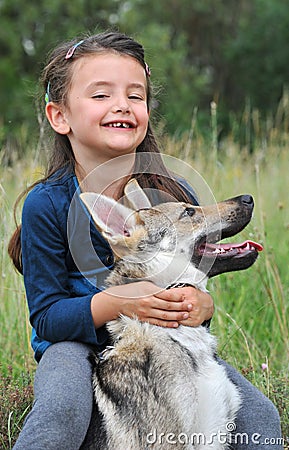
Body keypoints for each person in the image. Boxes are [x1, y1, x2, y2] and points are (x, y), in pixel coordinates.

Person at [8, 31, 281, 449]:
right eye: (101, 95)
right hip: (75, 347)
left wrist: (201, 306)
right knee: (61, 409)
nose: (122, 105)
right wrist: (119, 302)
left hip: (163, 343)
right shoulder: (47, 204)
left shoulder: (172, 193)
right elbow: (47, 317)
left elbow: (189, 282)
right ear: (59, 116)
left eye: (135, 96)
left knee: (260, 417)